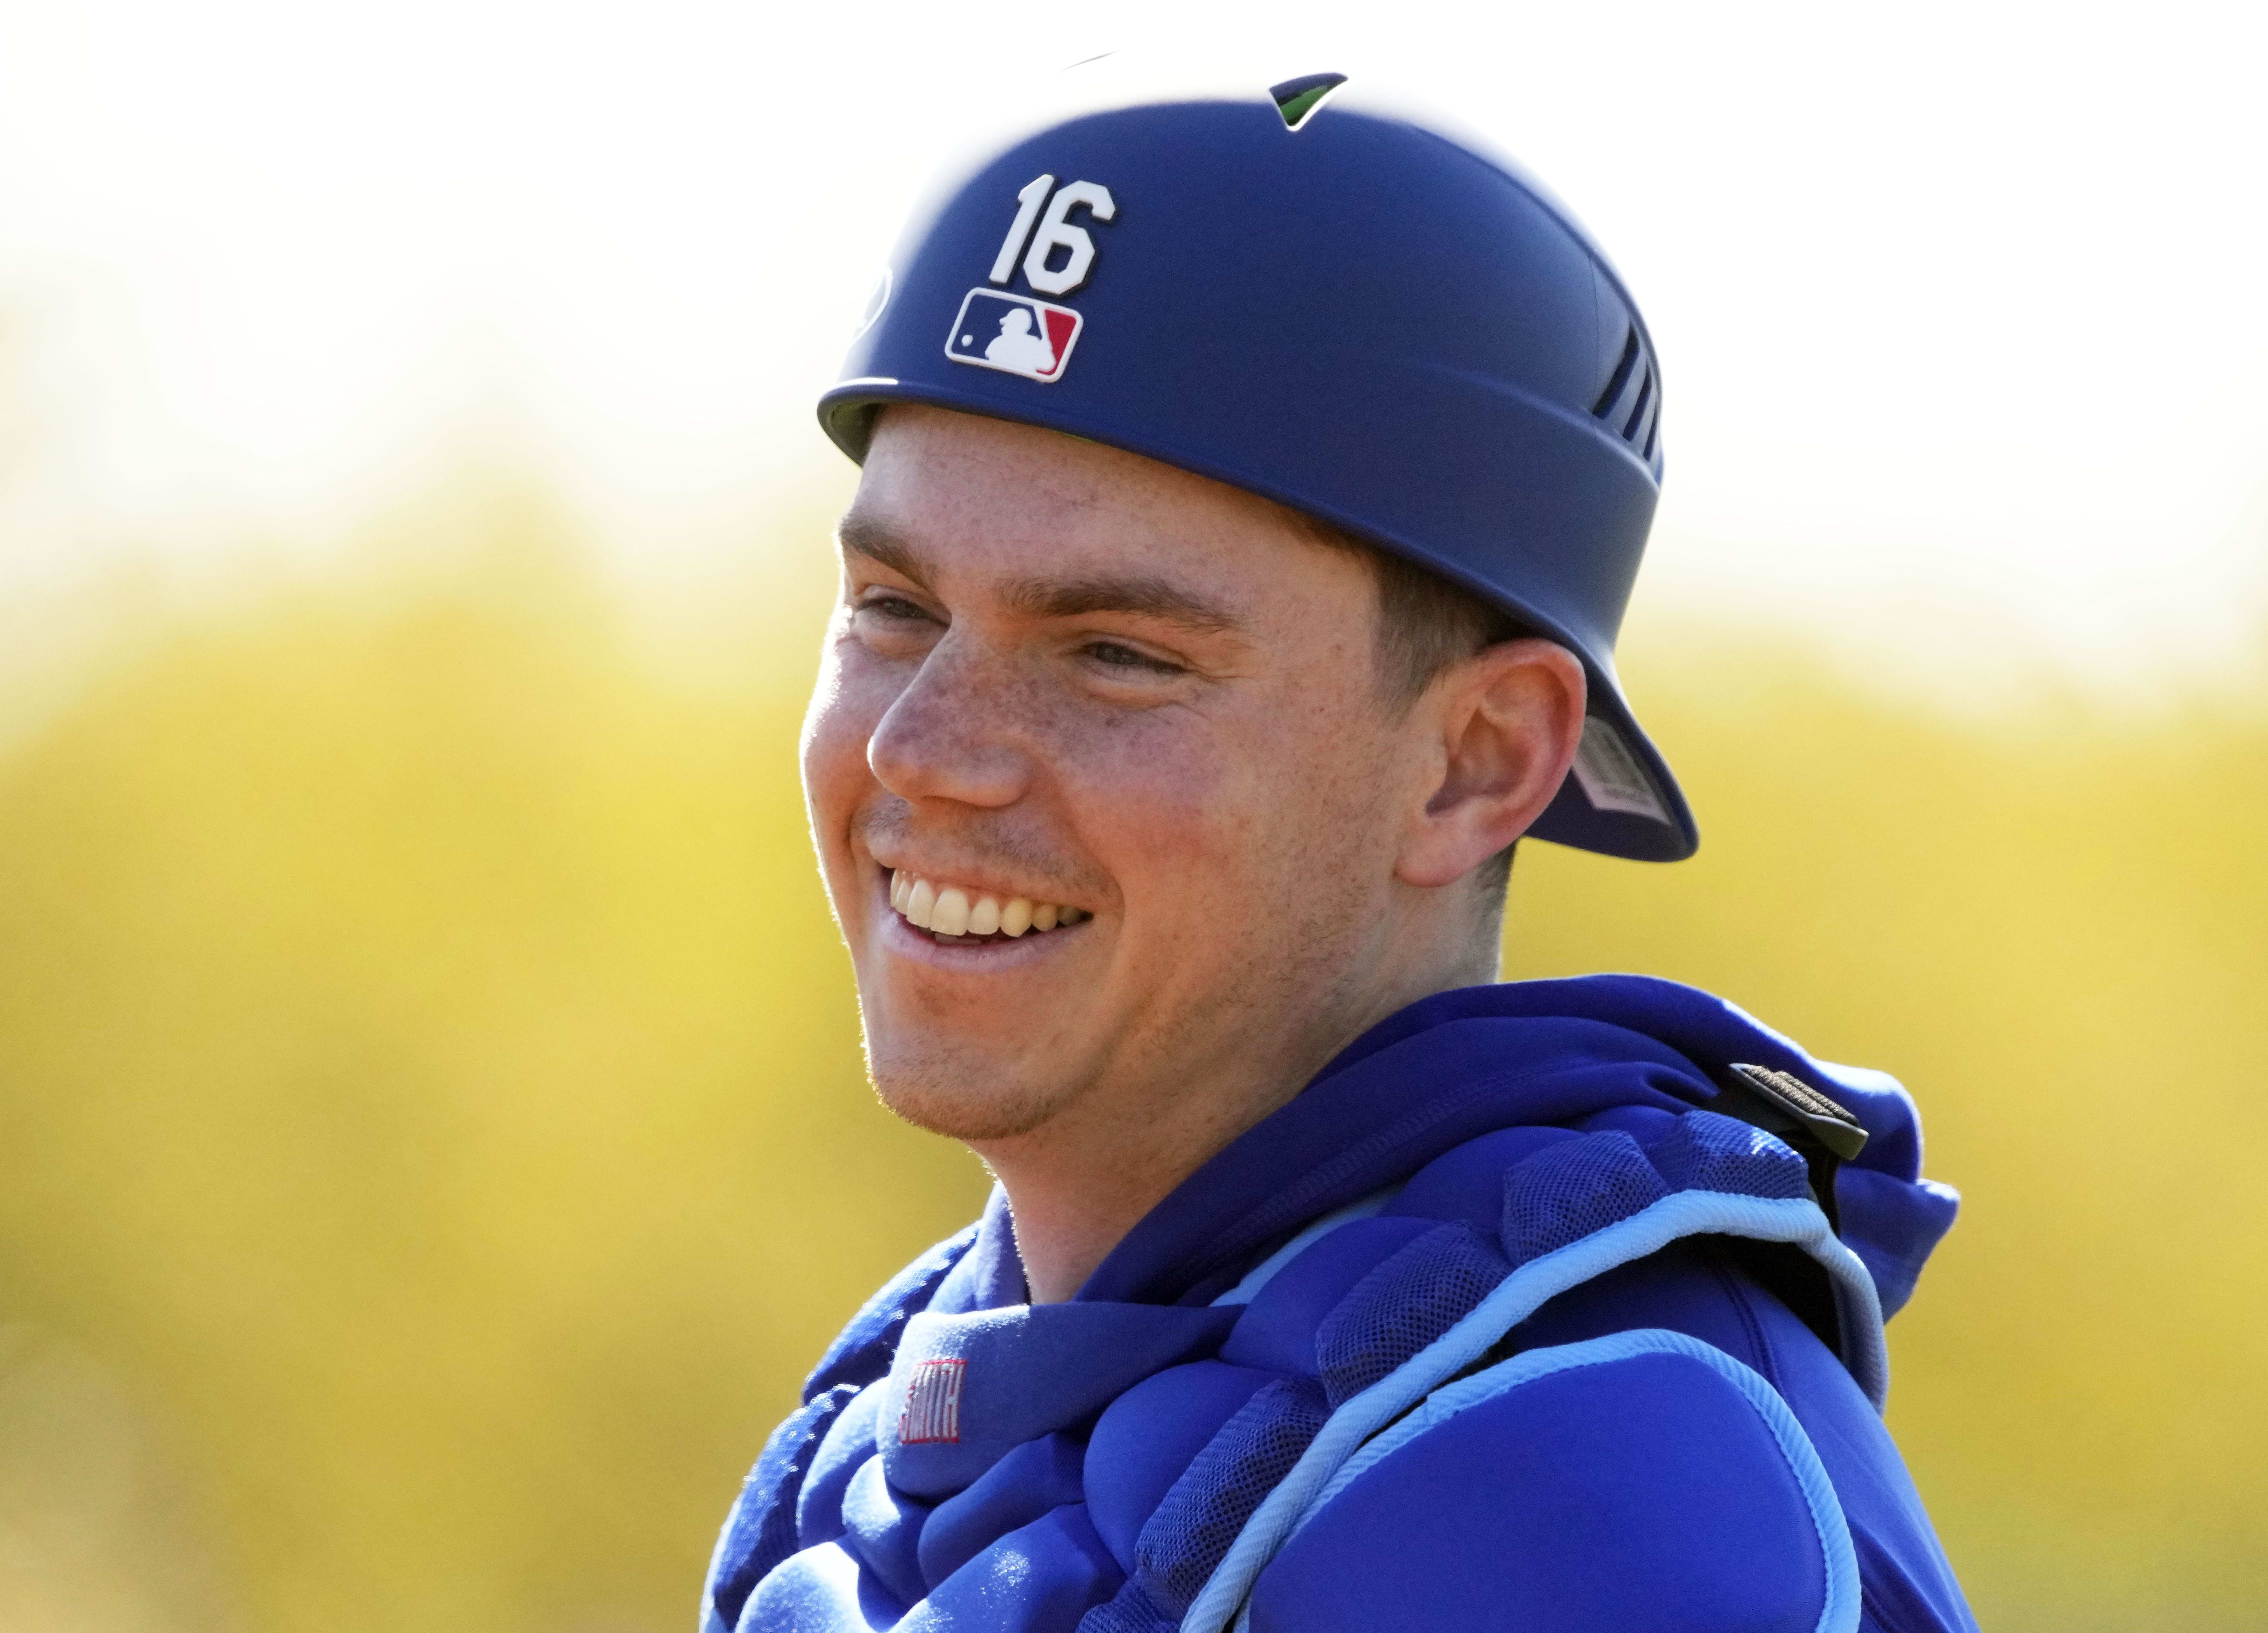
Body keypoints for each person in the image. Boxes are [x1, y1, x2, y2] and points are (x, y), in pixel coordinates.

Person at [701, 71, 1977, 1633]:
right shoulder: (962, 1399)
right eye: (896, 612)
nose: (920, 751)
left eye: (1112, 653)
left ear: (1477, 762)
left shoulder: (1578, 1494)